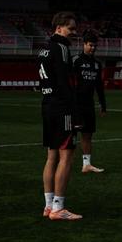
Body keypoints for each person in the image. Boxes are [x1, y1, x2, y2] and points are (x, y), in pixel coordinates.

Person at [39, 12, 82, 220]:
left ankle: (48, 206)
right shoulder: (62, 48)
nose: (74, 33)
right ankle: (58, 208)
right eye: (70, 28)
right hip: (62, 107)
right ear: (59, 28)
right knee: (67, 156)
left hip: (47, 105)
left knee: (51, 156)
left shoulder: (44, 49)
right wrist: (75, 112)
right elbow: (65, 83)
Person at [73, 30, 108, 174]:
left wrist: (103, 105)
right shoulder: (75, 60)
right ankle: (64, 162)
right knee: (71, 135)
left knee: (87, 135)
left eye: (94, 46)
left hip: (89, 104)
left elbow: (99, 86)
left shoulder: (97, 64)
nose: (92, 48)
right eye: (90, 45)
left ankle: (86, 165)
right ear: (84, 44)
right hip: (75, 104)